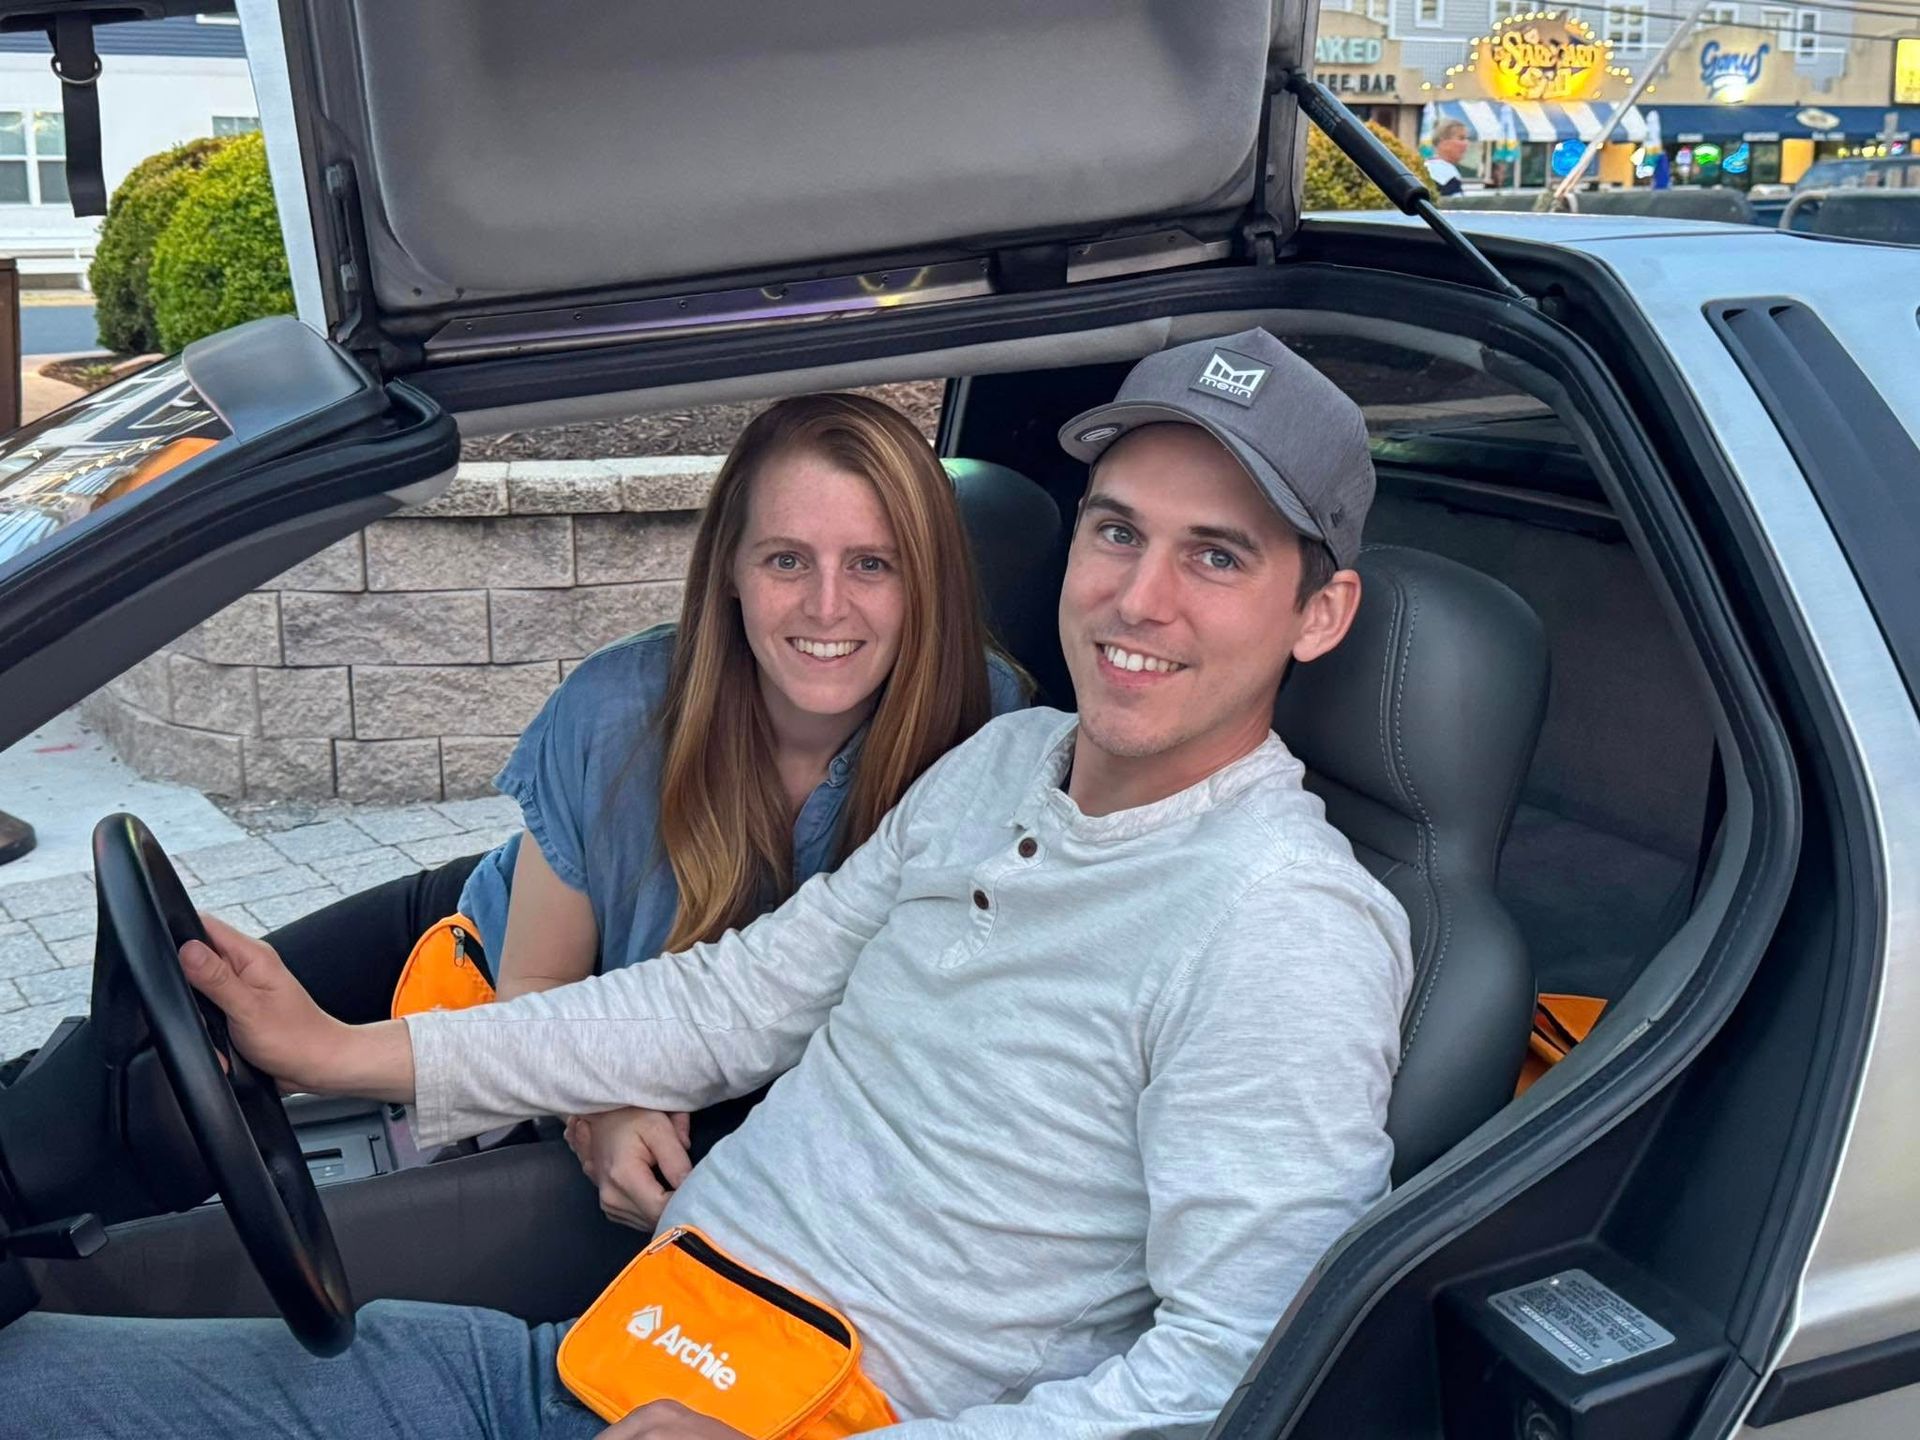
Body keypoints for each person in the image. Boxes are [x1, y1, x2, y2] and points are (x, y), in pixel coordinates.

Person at [0, 329, 1413, 1440]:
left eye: (1215, 556)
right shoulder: (1008, 762)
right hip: (621, 1358)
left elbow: (1237, 1374)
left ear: (1321, 611)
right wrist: (345, 1050)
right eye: (1118, 530)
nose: (1138, 599)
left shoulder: (1285, 930)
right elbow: (733, 1000)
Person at [269, 391, 1027, 1221]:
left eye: (872, 564)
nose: (826, 605)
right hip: (507, 954)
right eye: (786, 560)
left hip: (700, 1084)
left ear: (930, 582)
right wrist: (599, 1106)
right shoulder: (613, 710)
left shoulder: (991, 734)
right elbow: (541, 979)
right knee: (177, 1045)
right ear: (730, 571)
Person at [1425, 118, 1471, 196]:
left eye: (1467, 139)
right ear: (1443, 142)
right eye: (1461, 138)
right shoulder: (1441, 173)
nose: (1467, 143)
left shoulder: (1444, 169)